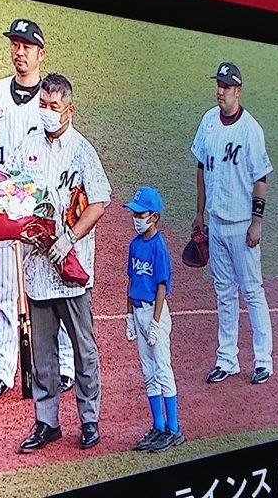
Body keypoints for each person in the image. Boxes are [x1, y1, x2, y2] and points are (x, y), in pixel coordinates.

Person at [0, 18, 75, 401]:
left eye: (27, 46)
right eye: (15, 44)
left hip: (40, 212)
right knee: (4, 291)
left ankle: (63, 365)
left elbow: (61, 154)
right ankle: (1, 370)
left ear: (41, 54)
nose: (19, 52)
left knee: (50, 288)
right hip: (3, 209)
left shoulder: (49, 103)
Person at [5, 73, 112, 452]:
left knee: (83, 349)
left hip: (71, 269)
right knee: (43, 352)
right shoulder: (26, 147)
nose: (47, 111)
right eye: (43, 104)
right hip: (37, 268)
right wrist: (17, 226)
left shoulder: (82, 151)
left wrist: (71, 237)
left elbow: (98, 202)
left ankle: (89, 420)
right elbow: (10, 193)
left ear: (70, 109)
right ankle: (46, 421)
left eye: (54, 106)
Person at [190, 62, 275, 386]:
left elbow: (261, 180)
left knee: (252, 291)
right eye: (219, 85)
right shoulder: (209, 121)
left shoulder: (250, 130)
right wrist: (199, 214)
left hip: (242, 225)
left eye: (226, 87)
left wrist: (257, 223)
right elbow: (201, 169)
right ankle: (227, 360)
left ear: (238, 91)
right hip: (215, 222)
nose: (220, 91)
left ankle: (263, 361)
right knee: (224, 292)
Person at [123, 186, 184, 452]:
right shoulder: (134, 245)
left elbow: (161, 287)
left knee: (163, 369)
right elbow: (131, 280)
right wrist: (128, 315)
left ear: (154, 217)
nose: (136, 218)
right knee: (149, 371)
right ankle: (158, 426)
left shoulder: (159, 247)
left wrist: (156, 323)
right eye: (135, 213)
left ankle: (174, 429)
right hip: (139, 312)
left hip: (154, 312)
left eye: (140, 214)